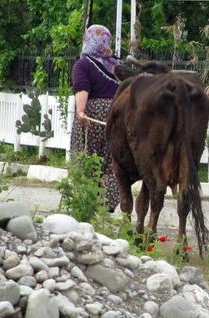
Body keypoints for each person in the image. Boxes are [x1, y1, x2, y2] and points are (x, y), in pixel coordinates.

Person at [71, 24, 120, 212]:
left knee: (86, 159)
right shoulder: (117, 65)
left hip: (93, 117)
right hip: (117, 116)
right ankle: (106, 208)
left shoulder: (83, 64)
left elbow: (82, 88)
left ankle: (86, 205)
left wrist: (81, 111)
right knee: (110, 164)